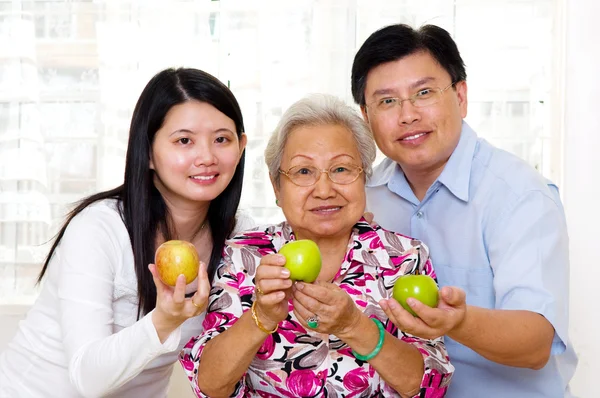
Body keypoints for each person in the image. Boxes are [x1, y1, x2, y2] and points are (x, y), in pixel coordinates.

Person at [351, 23, 577, 397]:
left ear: (460, 96)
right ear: (366, 116)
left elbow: (537, 343)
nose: (407, 115)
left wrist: (459, 321)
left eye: (423, 93)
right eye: (387, 101)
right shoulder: (363, 197)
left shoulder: (520, 195)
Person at [179, 94, 454, 398]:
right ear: (276, 187)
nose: (324, 190)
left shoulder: (403, 257)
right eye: (303, 172)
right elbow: (209, 386)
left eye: (341, 169)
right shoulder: (245, 255)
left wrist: (354, 326)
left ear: (364, 177)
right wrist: (262, 316)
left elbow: (430, 387)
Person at [0, 67, 251, 398]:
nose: (206, 157)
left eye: (221, 139)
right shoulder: (99, 228)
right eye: (184, 140)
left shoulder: (241, 238)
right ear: (147, 152)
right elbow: (87, 378)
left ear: (242, 146)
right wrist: (163, 320)